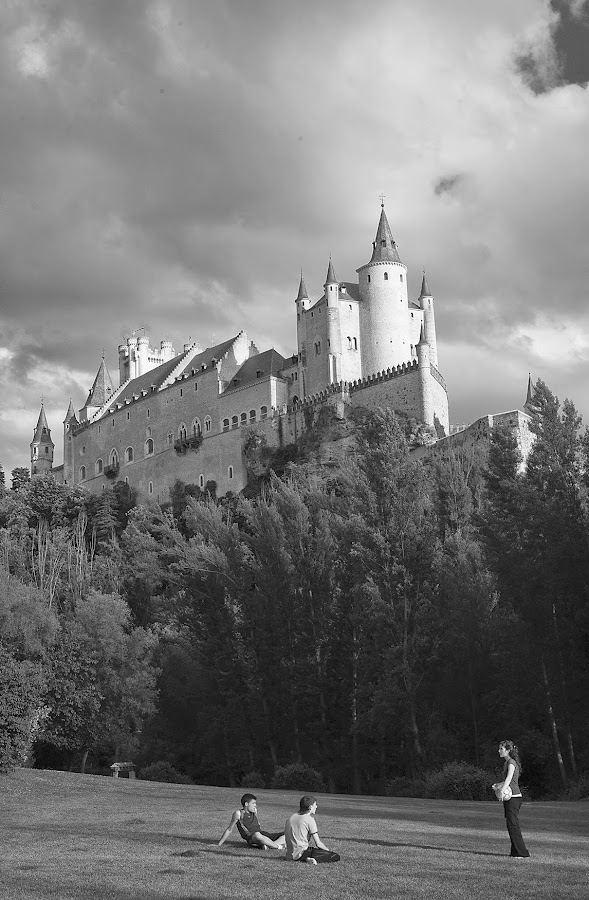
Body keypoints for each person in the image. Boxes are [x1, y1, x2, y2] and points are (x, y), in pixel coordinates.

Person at [497, 740, 530, 858]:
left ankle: (522, 853)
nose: (499, 751)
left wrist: (501, 791)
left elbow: (510, 779)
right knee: (511, 824)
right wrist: (498, 785)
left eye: (501, 749)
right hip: (510, 798)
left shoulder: (511, 762)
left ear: (508, 750)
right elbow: (506, 780)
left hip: (514, 798)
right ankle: (515, 852)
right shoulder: (506, 763)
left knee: (513, 824)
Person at [284, 795, 340, 864]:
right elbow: (318, 843)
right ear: (310, 807)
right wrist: (328, 852)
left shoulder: (291, 818)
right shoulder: (309, 819)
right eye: (315, 805)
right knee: (335, 856)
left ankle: (307, 859)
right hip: (302, 852)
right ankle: (313, 859)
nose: (316, 807)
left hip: (290, 855)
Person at [218, 793, 285, 850]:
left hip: (262, 834)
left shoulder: (254, 811)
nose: (255, 805)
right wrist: (219, 844)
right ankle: (278, 846)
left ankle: (268, 845)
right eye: (253, 803)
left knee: (287, 834)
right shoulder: (238, 814)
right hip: (252, 838)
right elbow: (229, 830)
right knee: (257, 835)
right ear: (246, 804)